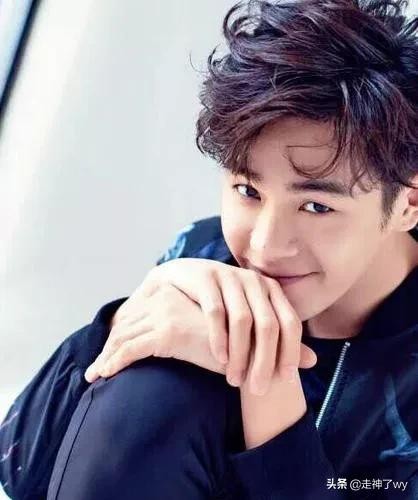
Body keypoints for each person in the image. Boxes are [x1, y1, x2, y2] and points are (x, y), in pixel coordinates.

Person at [2, 0, 418, 498]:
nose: (264, 246)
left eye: (316, 207)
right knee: (155, 379)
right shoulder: (205, 253)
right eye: (248, 190)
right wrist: (126, 321)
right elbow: (21, 473)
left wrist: (266, 379)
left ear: (408, 204)